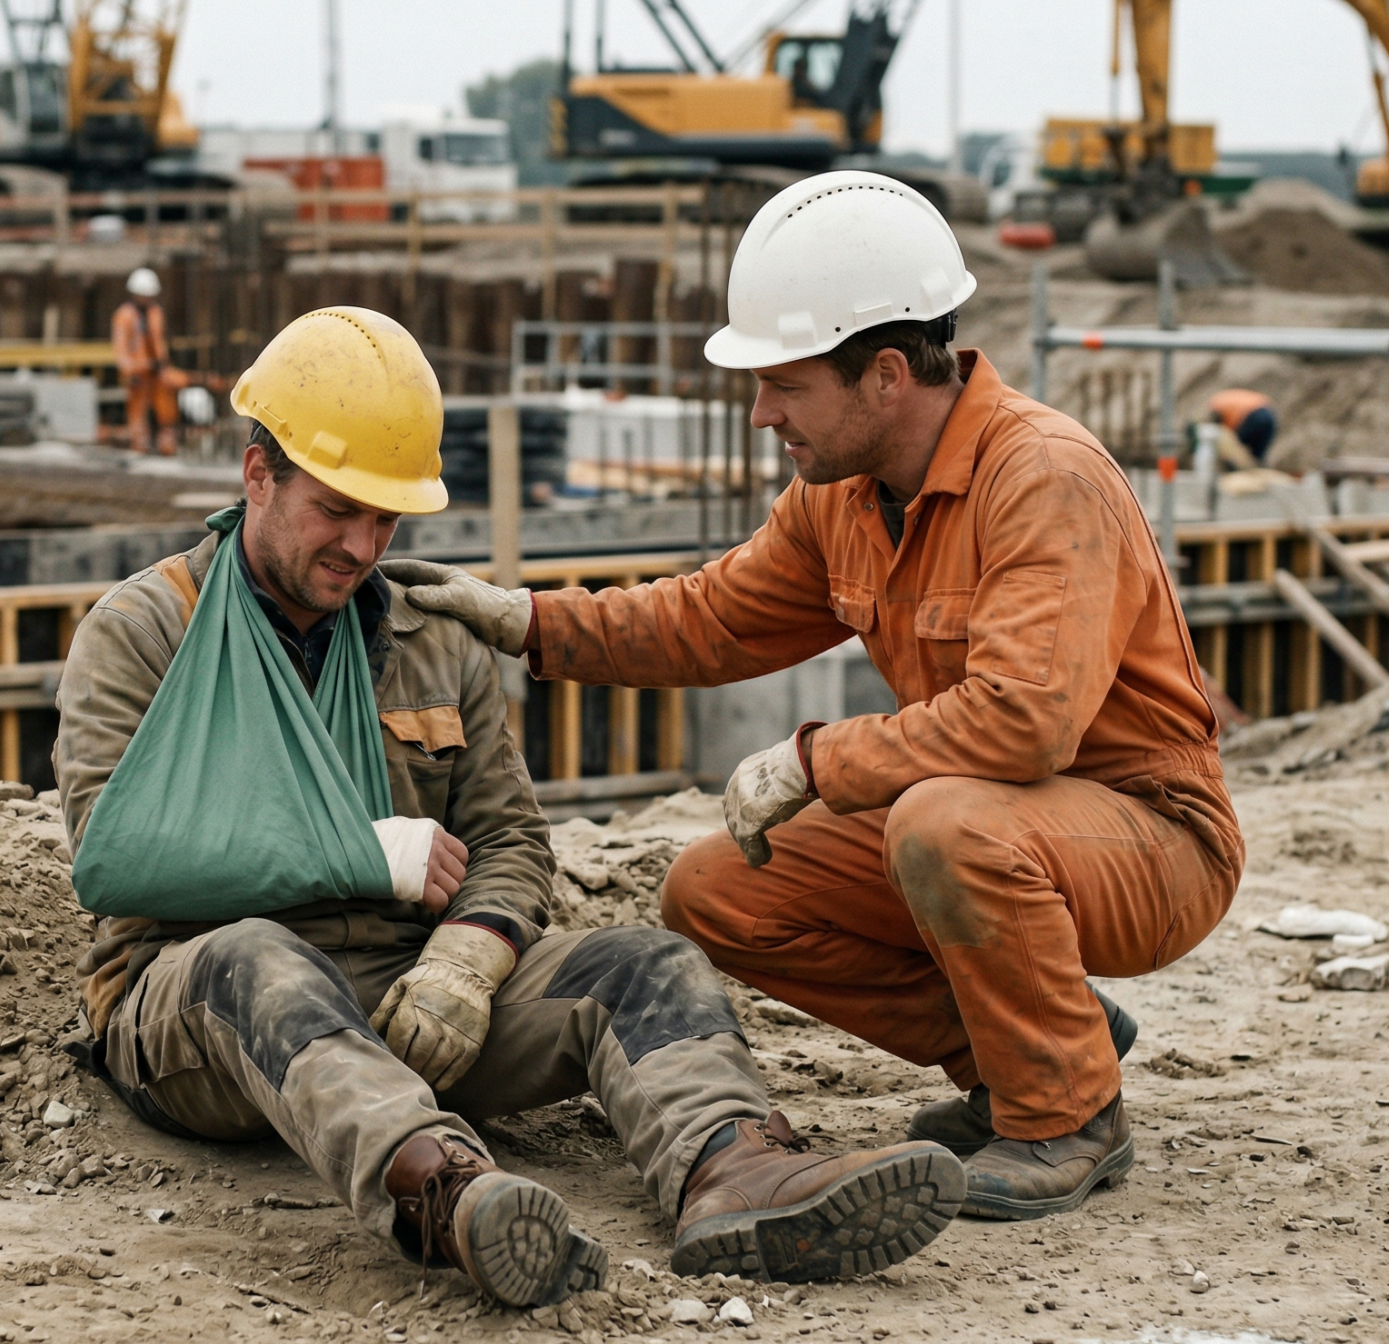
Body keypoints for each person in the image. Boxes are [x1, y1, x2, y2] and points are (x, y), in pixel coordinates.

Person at [55, 305, 964, 1309]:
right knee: (255, 962)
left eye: (385, 519)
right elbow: (114, 858)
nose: (360, 545)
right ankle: (444, 1190)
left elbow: (508, 840)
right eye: (334, 509)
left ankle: (731, 1172)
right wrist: (356, 853)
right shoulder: (147, 632)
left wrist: (468, 955)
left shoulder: (424, 636)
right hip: (203, 1015)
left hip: (404, 993)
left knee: (642, 963)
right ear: (256, 474)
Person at [390, 171, 1244, 1223]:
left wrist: (810, 762)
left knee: (940, 821)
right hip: (997, 828)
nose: (759, 416)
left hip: (1151, 842)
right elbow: (707, 619)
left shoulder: (1040, 476)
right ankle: (1030, 1041)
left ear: (883, 374)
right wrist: (526, 619)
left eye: (783, 386)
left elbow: (1024, 720)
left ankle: (1064, 1113)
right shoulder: (840, 495)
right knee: (716, 892)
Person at [110, 267, 184, 455]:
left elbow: (159, 340)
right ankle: (140, 445)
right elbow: (121, 348)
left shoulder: (155, 313)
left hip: (157, 369)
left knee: (166, 407)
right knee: (137, 410)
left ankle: (167, 445)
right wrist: (129, 371)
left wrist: (163, 363)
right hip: (138, 371)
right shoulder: (124, 316)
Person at [1204, 388, 1276, 467]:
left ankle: (1235, 468)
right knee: (1258, 454)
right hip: (1269, 415)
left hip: (1253, 415)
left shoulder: (1216, 404)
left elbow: (1219, 427)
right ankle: (1260, 471)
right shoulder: (1223, 401)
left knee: (1235, 448)